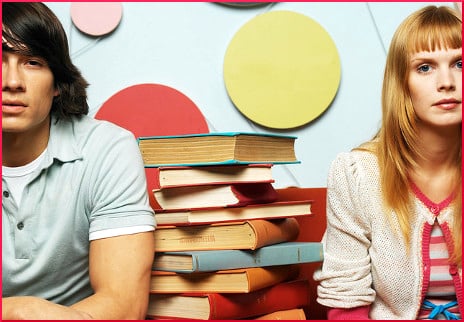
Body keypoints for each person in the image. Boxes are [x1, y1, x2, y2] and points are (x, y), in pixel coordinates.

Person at [2, 2, 156, 319]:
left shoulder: (108, 149)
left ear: (58, 82)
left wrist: (25, 312)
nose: (12, 81)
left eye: (32, 62)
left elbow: (125, 306)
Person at [314, 5, 462, 320]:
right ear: (402, 83)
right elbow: (345, 298)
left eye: (460, 63)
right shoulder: (357, 174)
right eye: (425, 67)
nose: (446, 81)